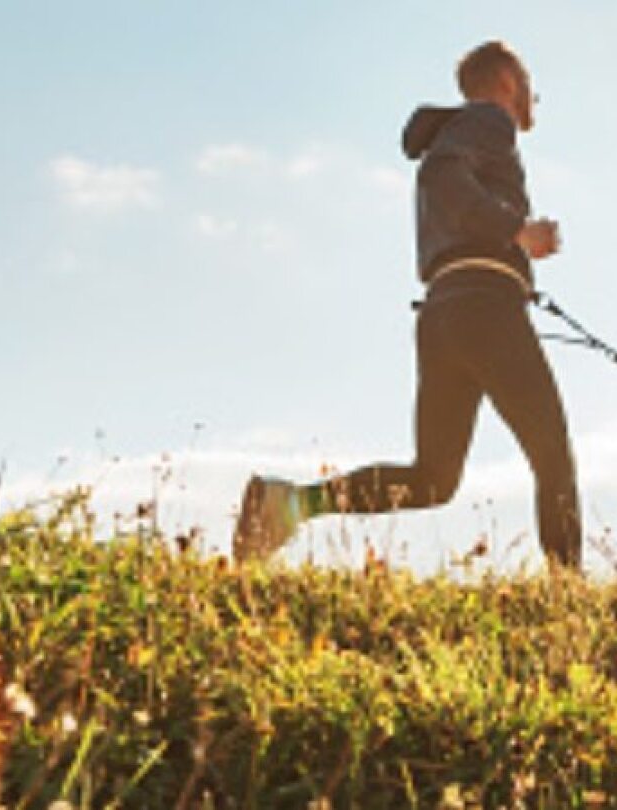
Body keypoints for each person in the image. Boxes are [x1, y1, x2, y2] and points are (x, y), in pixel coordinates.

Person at [232, 40, 582, 569]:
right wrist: (517, 231)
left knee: (434, 479)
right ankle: (568, 600)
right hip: (485, 308)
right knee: (552, 453)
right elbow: (441, 175)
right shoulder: (490, 121)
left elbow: (443, 178)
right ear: (509, 80)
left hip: (444, 313)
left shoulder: (459, 129)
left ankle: (288, 504)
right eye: (529, 83)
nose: (534, 97)